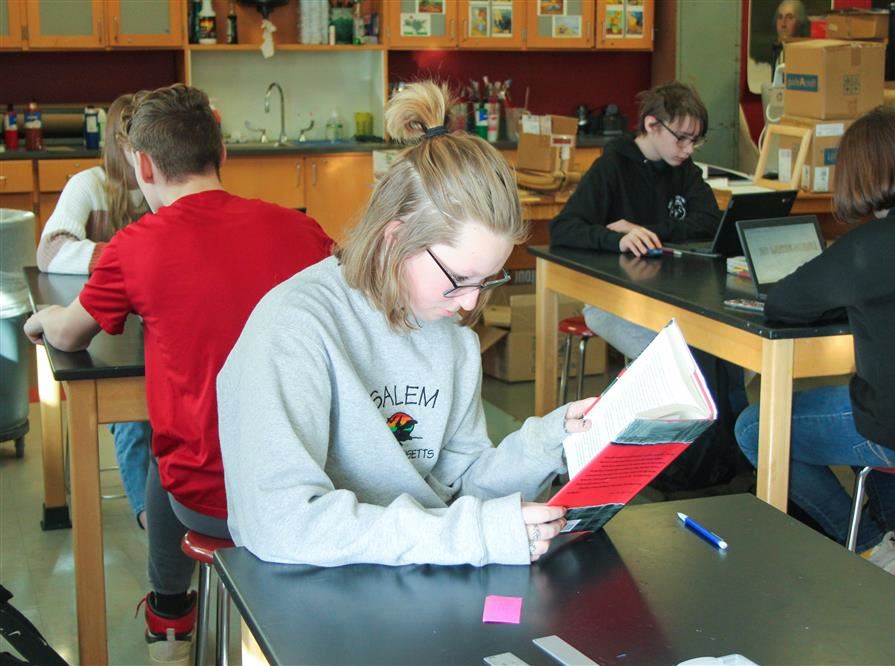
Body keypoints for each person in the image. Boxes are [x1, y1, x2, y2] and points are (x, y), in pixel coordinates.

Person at [216, 81, 595, 568]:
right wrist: (472, 534)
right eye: (460, 279)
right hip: (315, 585)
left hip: (415, 574)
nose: (470, 304)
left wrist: (548, 442)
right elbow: (279, 522)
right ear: (396, 239)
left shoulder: (447, 330)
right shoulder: (295, 327)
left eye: (487, 279)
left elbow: (458, 488)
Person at [23, 84, 333, 663]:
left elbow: (70, 333)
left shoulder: (133, 246)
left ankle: (171, 619)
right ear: (222, 152)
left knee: (176, 455)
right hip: (313, 482)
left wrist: (42, 320)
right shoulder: (302, 231)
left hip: (212, 498)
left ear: (142, 163)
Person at [734, 106, 895, 581]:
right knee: (864, 395)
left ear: (865, 174)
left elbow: (785, 305)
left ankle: (871, 545)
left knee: (756, 426)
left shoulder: (876, 244)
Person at [548, 82, 749, 494]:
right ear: (652, 125)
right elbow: (563, 229)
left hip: (677, 302)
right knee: (676, 362)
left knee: (726, 355)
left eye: (696, 140)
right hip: (613, 303)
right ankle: (657, 461)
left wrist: (647, 232)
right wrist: (614, 238)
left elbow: (709, 222)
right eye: (682, 138)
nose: (689, 149)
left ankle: (716, 461)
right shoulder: (612, 168)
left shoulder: (684, 173)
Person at [36, 94, 153, 529]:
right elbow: (51, 250)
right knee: (133, 422)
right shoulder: (90, 184)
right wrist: (131, 256)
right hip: (104, 326)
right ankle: (148, 517)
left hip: (155, 321)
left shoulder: (167, 184)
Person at [769, 0, 810, 82]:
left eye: (789, 17)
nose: (783, 24)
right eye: (780, 17)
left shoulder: (807, 55)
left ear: (800, 22)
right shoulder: (775, 52)